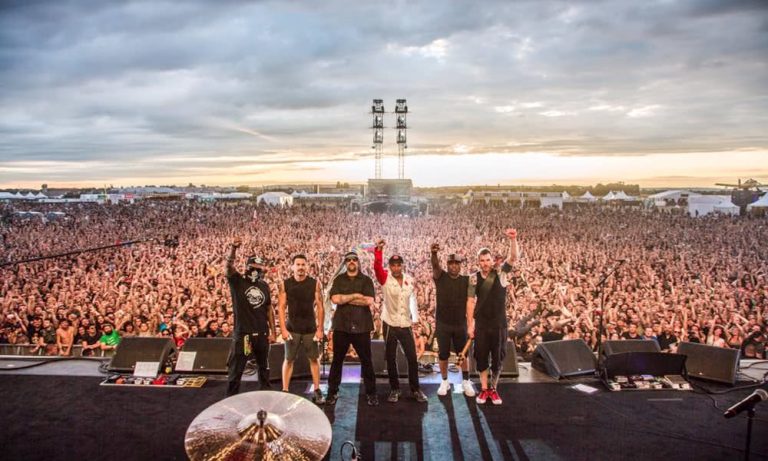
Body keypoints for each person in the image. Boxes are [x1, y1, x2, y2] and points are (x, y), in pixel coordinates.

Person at [468, 228, 520, 405]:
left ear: (492, 260)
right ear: (478, 262)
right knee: (481, 356)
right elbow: (469, 301)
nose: (485, 263)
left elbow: (513, 258)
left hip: (499, 324)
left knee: (497, 358)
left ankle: (494, 389)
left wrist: (513, 240)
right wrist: (470, 324)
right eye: (482, 260)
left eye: (488, 260)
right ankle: (484, 389)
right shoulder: (473, 279)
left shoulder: (501, 274)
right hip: (482, 324)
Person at [373, 239, 427, 403]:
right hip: (389, 322)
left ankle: (415, 389)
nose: (396, 267)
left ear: (402, 265)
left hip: (405, 323)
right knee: (390, 357)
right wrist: (379, 250)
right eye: (393, 265)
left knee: (412, 356)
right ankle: (395, 389)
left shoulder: (409, 279)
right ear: (390, 266)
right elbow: (376, 266)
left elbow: (412, 300)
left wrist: (416, 318)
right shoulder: (385, 278)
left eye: (398, 264)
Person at [224, 237, 276, 396]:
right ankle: (231, 398)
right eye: (254, 267)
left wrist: (273, 331)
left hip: (261, 333)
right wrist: (233, 248)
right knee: (236, 370)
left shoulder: (264, 285)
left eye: (259, 268)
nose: (256, 271)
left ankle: (265, 395)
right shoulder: (238, 281)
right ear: (247, 267)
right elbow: (228, 267)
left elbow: (269, 309)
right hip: (243, 334)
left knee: (264, 367)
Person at [326, 251, 378, 406]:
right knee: (337, 361)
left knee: (367, 361)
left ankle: (371, 393)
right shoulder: (339, 279)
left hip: (362, 326)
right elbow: (335, 299)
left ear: (358, 262)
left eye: (354, 259)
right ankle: (332, 392)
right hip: (341, 326)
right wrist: (356, 295)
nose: (351, 262)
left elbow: (368, 301)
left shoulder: (366, 280)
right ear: (345, 263)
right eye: (348, 260)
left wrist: (346, 298)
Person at [278, 254, 326, 404]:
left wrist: (320, 329)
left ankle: (317, 390)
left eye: (303, 264)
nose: (300, 267)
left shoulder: (315, 283)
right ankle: (285, 390)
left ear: (307, 266)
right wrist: (283, 330)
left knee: (313, 359)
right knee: (289, 359)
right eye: (297, 264)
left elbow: (320, 307)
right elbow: (280, 307)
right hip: (292, 329)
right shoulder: (285, 284)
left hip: (310, 328)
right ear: (292, 267)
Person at [430, 244, 476, 397]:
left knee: (462, 354)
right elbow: (435, 266)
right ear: (447, 265)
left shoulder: (466, 280)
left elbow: (470, 301)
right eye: (451, 263)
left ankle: (466, 381)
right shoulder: (440, 277)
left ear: (460, 265)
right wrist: (434, 253)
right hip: (443, 323)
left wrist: (470, 324)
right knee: (443, 355)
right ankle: (444, 381)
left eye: (457, 263)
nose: (454, 266)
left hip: (460, 323)